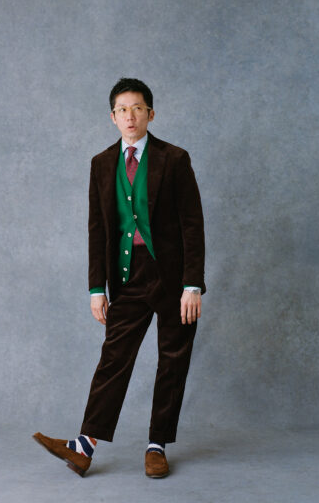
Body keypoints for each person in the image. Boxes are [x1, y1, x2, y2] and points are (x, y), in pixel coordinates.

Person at [33, 78, 206, 478]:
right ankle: (84, 445)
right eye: (122, 110)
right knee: (114, 358)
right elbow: (98, 229)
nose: (130, 116)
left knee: (172, 361)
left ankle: (156, 446)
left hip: (173, 277)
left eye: (138, 108)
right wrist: (97, 288)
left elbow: (192, 225)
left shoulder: (174, 159)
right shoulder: (101, 164)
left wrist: (192, 284)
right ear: (112, 117)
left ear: (151, 114)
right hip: (127, 277)